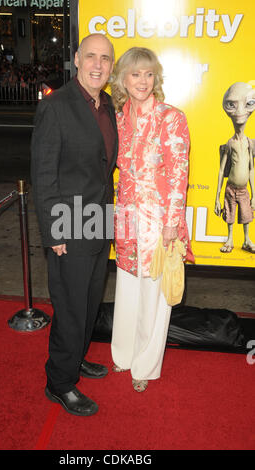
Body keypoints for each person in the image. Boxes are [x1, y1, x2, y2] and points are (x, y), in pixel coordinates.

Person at [31, 33, 117, 416]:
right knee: (69, 306)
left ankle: (76, 359)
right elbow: (44, 173)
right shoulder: (57, 106)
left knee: (90, 300)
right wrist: (54, 233)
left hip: (101, 219)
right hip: (69, 223)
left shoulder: (107, 104)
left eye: (106, 59)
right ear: (77, 59)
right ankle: (60, 382)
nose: (98, 65)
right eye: (92, 57)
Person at [110, 47, 194, 392]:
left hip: (159, 219)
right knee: (128, 287)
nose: (143, 81)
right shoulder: (117, 118)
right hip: (126, 215)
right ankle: (123, 354)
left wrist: (172, 222)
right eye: (135, 74)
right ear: (122, 79)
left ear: (156, 78)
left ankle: (144, 365)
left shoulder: (171, 118)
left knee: (154, 294)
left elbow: (179, 174)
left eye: (149, 74)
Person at [214, 82, 255, 253]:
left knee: (246, 215)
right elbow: (221, 170)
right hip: (230, 188)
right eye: (232, 104)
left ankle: (246, 239)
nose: (239, 112)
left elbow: (251, 168)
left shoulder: (249, 143)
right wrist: (216, 197)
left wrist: (254, 194)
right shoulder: (230, 144)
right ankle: (229, 239)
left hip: (244, 189)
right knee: (229, 214)